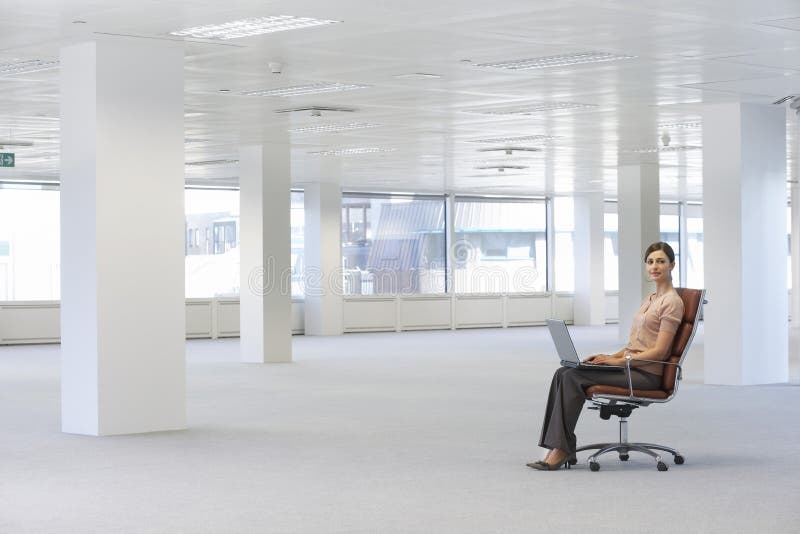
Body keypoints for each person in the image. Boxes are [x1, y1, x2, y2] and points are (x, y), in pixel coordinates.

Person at [528, 241, 685, 470]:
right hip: (629, 366)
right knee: (563, 372)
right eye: (650, 262)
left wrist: (619, 361)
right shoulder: (650, 300)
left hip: (645, 374)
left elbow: (659, 351)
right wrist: (608, 356)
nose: (655, 266)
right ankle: (559, 446)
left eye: (661, 261)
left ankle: (562, 449)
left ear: (672, 265)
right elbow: (636, 344)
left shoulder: (672, 303)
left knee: (573, 377)